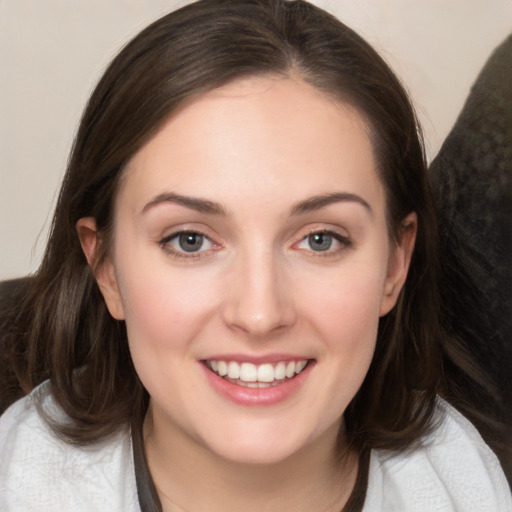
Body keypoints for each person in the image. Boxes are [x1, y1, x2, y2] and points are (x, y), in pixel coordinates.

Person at [0, 1, 510, 510]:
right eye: (190, 240)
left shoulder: (469, 488)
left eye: (320, 239)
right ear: (107, 269)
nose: (259, 314)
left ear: (394, 266)